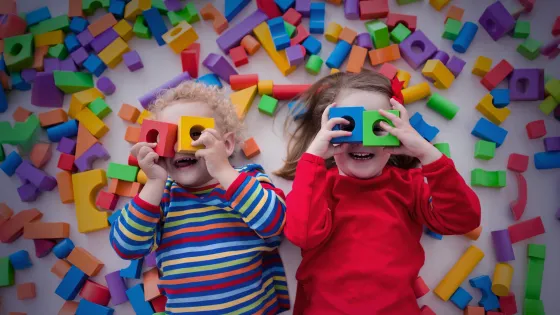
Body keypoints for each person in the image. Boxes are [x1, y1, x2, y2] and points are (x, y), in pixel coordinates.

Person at [276, 71, 481, 315]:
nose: (362, 141)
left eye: (378, 127)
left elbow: (463, 219)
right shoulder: (317, 186)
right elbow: (302, 235)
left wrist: (426, 153)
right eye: (348, 127)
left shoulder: (409, 186)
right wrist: (313, 158)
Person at [110, 81, 290, 314]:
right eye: (168, 137)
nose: (179, 146)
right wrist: (154, 182)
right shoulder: (161, 198)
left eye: (193, 133)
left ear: (226, 145)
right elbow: (126, 247)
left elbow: (275, 224)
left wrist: (224, 171)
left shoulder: (247, 181)